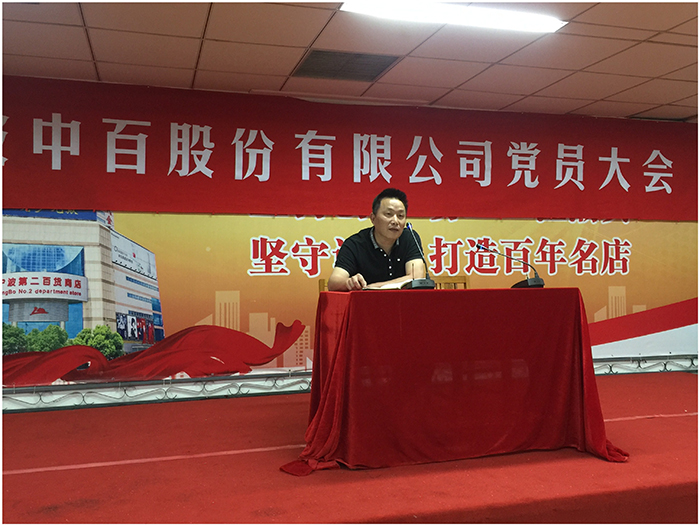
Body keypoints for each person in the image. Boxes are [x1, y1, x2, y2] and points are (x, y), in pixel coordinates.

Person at [328, 188, 427, 291]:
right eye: (388, 214)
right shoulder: (355, 244)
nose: (395, 221)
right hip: (366, 301)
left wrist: (374, 287)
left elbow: (416, 277)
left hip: (403, 301)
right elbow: (334, 283)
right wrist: (349, 282)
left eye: (400, 216)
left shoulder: (410, 237)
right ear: (373, 218)